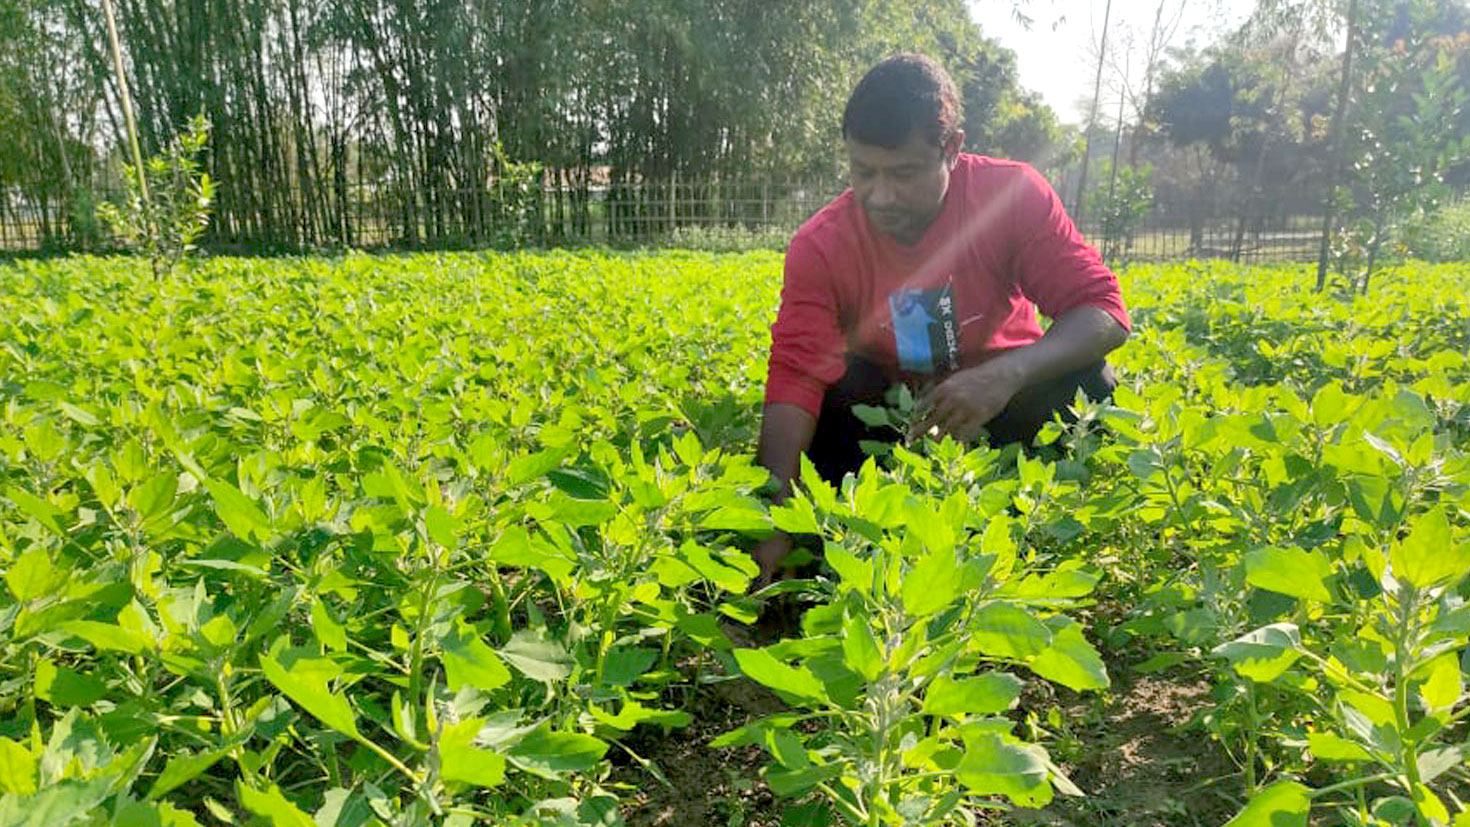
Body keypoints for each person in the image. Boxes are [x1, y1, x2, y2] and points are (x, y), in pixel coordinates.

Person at [752, 53, 1130, 584]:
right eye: (864, 172)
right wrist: (771, 517)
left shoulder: (1011, 197)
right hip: (896, 425)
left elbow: (1103, 311)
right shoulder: (822, 244)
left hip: (1003, 409)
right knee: (839, 390)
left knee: (1091, 383)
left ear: (952, 148)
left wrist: (1006, 375)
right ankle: (845, 539)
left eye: (903, 174)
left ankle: (1020, 527)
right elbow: (795, 374)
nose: (880, 196)